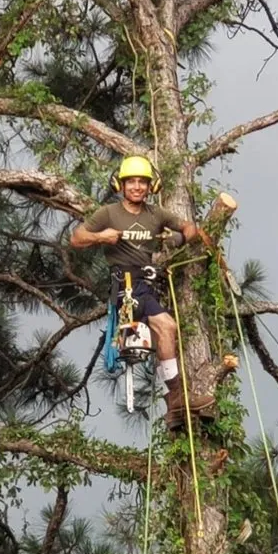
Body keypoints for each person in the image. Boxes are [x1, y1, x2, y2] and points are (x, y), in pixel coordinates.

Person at [70, 156, 215, 429]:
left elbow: (191, 227)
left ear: (151, 186)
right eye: (131, 182)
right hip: (124, 284)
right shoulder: (108, 214)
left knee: (166, 330)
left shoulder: (156, 215)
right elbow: (76, 238)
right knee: (166, 325)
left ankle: (174, 405)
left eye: (142, 182)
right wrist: (102, 236)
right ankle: (176, 396)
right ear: (121, 185)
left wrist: (180, 237)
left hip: (144, 285)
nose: (137, 187)